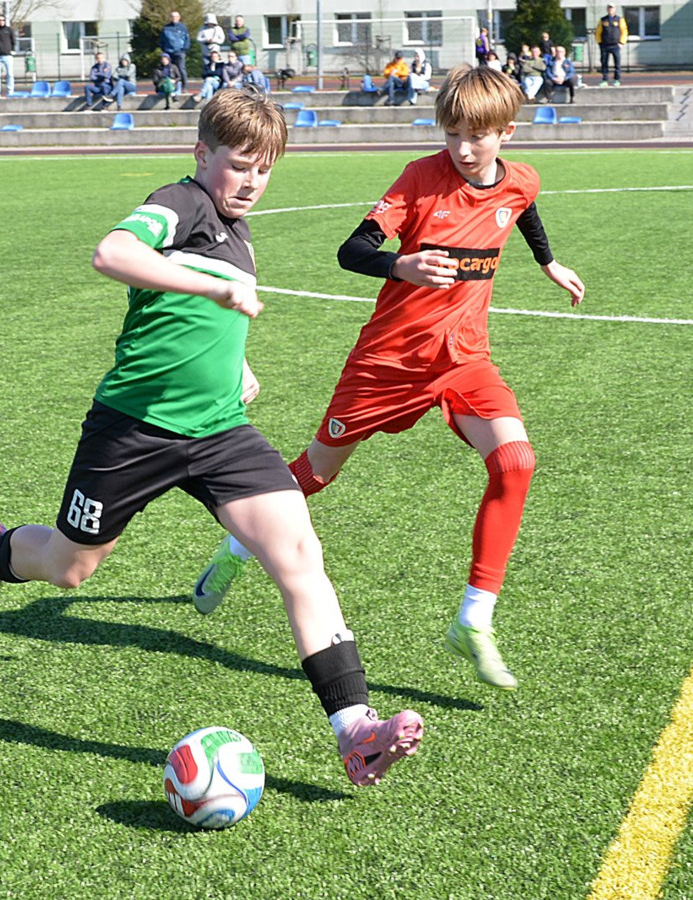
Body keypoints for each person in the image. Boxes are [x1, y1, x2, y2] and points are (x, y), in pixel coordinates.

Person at [0, 88, 424, 788]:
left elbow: (203, 325)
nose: (252, 181)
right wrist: (208, 290)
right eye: (239, 164)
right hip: (132, 430)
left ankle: (355, 731)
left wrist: (237, 366)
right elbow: (112, 253)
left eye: (264, 169)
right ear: (202, 154)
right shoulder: (181, 203)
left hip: (219, 432)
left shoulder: (239, 233)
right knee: (68, 567)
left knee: (299, 555)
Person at [191, 64, 586, 693]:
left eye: (476, 136)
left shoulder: (521, 180)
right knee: (315, 474)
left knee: (515, 461)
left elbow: (523, 208)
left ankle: (473, 619)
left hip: (463, 358)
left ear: (506, 133)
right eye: (452, 133)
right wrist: (402, 265)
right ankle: (239, 547)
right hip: (387, 362)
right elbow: (352, 250)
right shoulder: (420, 178)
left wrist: (549, 262)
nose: (462, 149)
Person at [596, 4, 627, 86]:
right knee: (604, 63)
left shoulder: (620, 19)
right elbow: (598, 32)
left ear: (615, 9)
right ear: (607, 9)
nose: (610, 9)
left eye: (612, 8)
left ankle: (617, 80)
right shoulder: (603, 20)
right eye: (609, 8)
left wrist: (621, 42)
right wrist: (600, 43)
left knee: (617, 63)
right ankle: (605, 80)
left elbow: (624, 31)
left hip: (616, 45)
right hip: (605, 45)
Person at [159, 11, 190, 94]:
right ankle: (169, 86)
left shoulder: (183, 27)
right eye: (172, 17)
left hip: (180, 51)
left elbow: (187, 40)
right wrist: (164, 50)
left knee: (181, 68)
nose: (174, 18)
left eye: (176, 17)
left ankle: (185, 87)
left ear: (179, 18)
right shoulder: (166, 28)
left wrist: (184, 49)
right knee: (168, 69)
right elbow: (162, 40)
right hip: (168, 52)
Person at [0, 14, 17, 99]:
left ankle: (10, 91)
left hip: (8, 56)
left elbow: (13, 41)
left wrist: (12, 50)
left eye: (3, 20)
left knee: (10, 74)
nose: (1, 22)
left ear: (5, 21)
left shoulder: (9, 30)